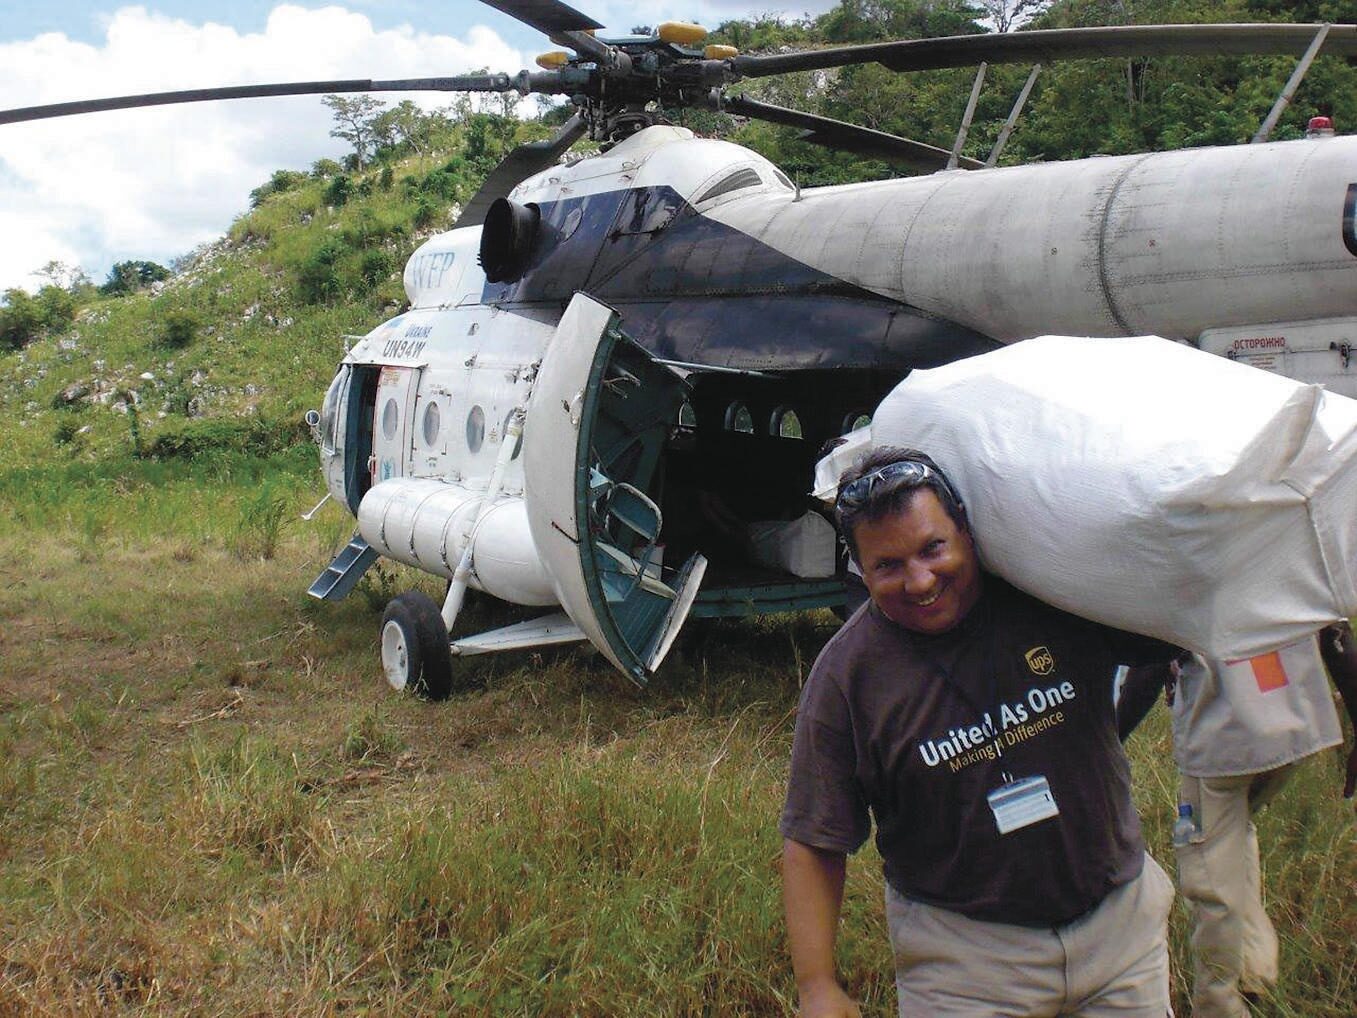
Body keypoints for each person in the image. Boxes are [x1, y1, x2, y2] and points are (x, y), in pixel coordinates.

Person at [781, 446, 1183, 1018]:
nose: (919, 581)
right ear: (859, 569)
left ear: (966, 530)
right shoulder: (849, 677)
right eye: (887, 566)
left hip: (1119, 932)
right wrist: (817, 984)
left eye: (932, 549)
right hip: (964, 961)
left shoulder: (1054, 595)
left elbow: (1171, 625)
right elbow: (814, 838)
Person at [1119, 623, 1357, 1017]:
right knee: (1233, 831)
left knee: (1206, 873)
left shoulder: (1185, 561)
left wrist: (1110, 736)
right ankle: (1254, 971)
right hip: (1292, 724)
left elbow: (1151, 661)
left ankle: (1219, 1004)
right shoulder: (1279, 559)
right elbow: (1334, 629)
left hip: (1224, 738)